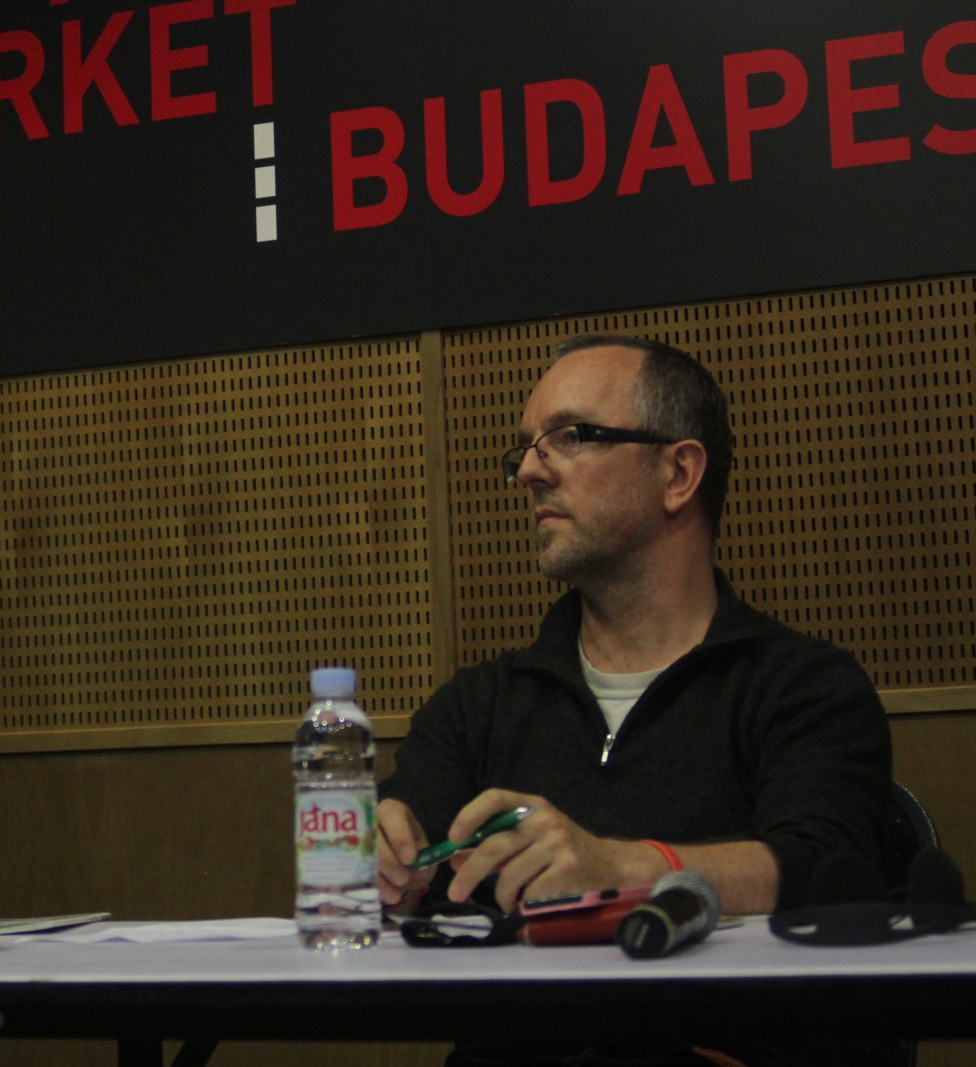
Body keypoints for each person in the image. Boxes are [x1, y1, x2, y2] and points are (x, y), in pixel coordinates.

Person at [377, 334, 892, 920]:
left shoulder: (804, 687)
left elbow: (827, 868)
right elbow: (402, 863)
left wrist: (623, 869)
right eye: (525, 448)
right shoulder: (475, 709)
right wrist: (391, 870)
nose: (527, 471)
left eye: (570, 437)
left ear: (678, 474)